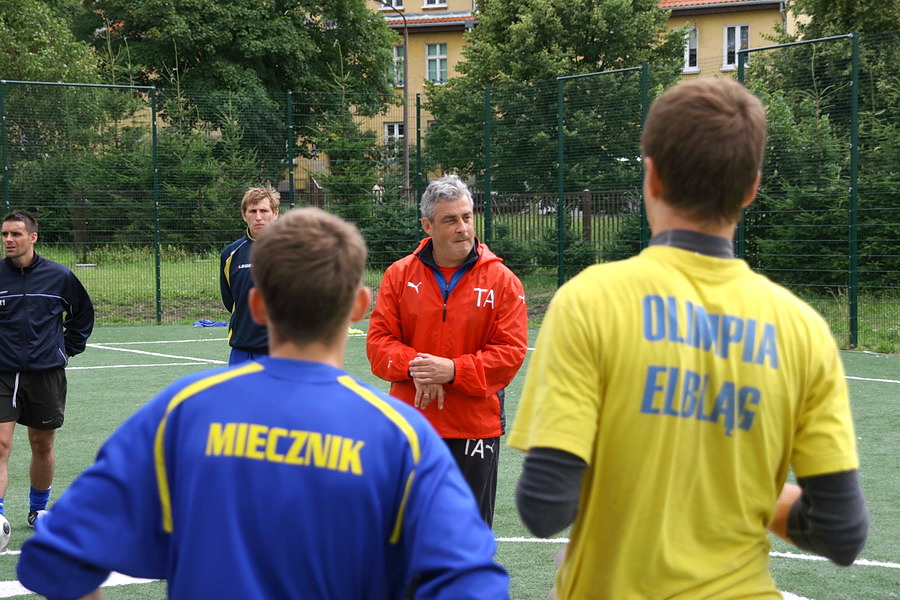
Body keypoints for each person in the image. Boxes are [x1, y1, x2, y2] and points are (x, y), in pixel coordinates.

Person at [18, 207, 509, 600]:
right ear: (360, 306)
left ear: (255, 306)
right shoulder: (401, 436)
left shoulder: (184, 413)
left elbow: (55, 556)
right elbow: (474, 584)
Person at [508, 78, 869, 599]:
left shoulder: (591, 300)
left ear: (651, 177)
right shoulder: (803, 329)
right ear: (751, 188)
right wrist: (738, 490)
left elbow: (544, 508)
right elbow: (841, 531)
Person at [367, 174, 528, 526]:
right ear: (428, 225)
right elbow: (378, 345)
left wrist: (452, 370)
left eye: (467, 217)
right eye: (450, 220)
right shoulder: (398, 275)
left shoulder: (502, 281)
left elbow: (510, 354)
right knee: (408, 536)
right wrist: (420, 367)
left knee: (467, 539)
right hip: (412, 425)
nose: (462, 228)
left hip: (474, 428)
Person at [0, 210, 94, 531]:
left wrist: (66, 349)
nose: (8, 240)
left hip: (46, 374)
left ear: (33, 237)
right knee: (1, 444)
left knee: (43, 444)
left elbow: (82, 315)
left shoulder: (60, 276)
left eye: (15, 234)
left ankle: (38, 510)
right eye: (4, 235)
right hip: (3, 374)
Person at [220, 184, 279, 365]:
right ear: (244, 215)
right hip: (242, 350)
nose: (258, 217)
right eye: (253, 211)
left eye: (264, 210)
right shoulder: (230, 254)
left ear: (275, 214)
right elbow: (230, 301)